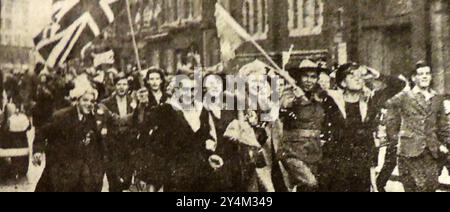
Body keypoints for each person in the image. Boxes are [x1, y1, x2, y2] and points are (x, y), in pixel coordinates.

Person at [319, 63, 405, 192]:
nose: (358, 78)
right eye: (352, 75)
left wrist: (376, 75)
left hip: (362, 163)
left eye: (360, 75)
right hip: (336, 163)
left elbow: (398, 84)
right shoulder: (332, 101)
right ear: (342, 83)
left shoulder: (370, 101)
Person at [385, 64, 450, 192]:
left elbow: (443, 126)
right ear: (414, 78)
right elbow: (389, 111)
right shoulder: (404, 96)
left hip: (431, 151)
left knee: (430, 187)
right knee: (414, 188)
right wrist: (395, 137)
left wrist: (447, 143)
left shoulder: (437, 98)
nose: (425, 77)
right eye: (421, 74)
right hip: (409, 152)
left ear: (431, 77)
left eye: (427, 73)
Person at [33, 79, 105, 192]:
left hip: (78, 171)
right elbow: (42, 132)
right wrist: (37, 151)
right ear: (77, 101)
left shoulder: (91, 119)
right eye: (85, 100)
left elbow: (96, 142)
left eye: (91, 101)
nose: (89, 104)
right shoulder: (61, 117)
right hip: (58, 169)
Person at [279, 60, 328, 192]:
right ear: (298, 77)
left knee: (308, 188)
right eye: (305, 76)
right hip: (293, 150)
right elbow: (285, 104)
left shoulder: (319, 95)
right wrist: (299, 98)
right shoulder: (289, 92)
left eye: (313, 77)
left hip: (314, 148)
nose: (309, 80)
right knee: (311, 183)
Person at [99, 73, 137, 192]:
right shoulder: (106, 103)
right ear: (115, 86)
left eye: (124, 84)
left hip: (129, 146)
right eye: (119, 84)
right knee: (114, 182)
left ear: (128, 87)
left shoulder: (134, 102)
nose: (121, 87)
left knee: (127, 180)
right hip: (113, 147)